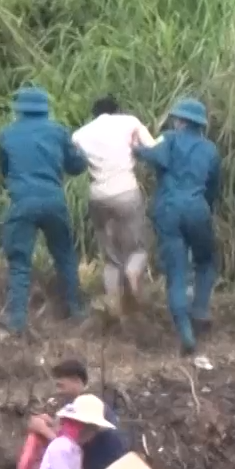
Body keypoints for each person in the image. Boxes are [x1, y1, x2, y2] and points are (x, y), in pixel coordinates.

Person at [0, 86, 88, 334]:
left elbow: (4, 169)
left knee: (19, 261)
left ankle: (17, 319)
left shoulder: (7, 134)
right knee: (65, 256)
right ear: (45, 110)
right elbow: (77, 166)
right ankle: (75, 310)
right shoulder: (58, 132)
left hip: (22, 202)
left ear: (20, 111)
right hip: (54, 201)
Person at [134, 98, 220, 357]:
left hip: (169, 210)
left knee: (177, 272)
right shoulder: (210, 149)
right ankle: (201, 309)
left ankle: (185, 333)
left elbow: (155, 156)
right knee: (207, 261)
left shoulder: (169, 138)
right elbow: (214, 187)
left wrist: (137, 149)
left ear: (181, 121)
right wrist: (206, 207)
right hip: (197, 209)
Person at [72, 96, 157, 317]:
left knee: (110, 257)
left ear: (94, 114)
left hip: (98, 196)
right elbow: (154, 148)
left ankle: (114, 306)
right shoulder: (129, 122)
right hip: (126, 192)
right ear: (117, 110)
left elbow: (75, 162)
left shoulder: (80, 134)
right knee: (138, 248)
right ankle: (132, 274)